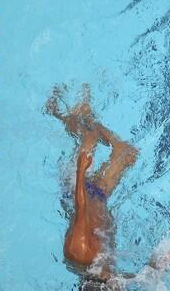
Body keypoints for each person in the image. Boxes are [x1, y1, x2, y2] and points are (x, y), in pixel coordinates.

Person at [46, 86, 141, 289]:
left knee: (89, 138)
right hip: (99, 194)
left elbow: (80, 207)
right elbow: (137, 277)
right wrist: (156, 269)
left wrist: (81, 169)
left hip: (76, 187)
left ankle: (58, 113)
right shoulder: (105, 273)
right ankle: (89, 118)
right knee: (127, 152)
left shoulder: (79, 251)